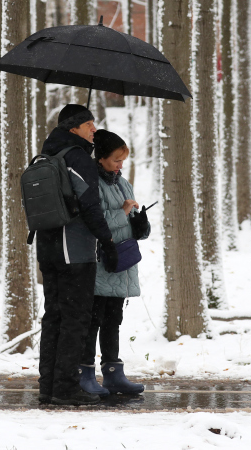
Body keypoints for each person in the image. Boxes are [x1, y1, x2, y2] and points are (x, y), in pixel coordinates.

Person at [36, 104, 119, 406]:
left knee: (54, 316)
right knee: (75, 319)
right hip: (75, 251)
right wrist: (107, 239)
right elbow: (90, 205)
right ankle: (65, 388)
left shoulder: (48, 155)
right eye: (88, 124)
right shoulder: (77, 158)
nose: (94, 129)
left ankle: (48, 386)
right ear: (73, 128)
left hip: (47, 248)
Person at [78, 130, 151, 397]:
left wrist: (140, 222)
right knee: (94, 320)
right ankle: (84, 373)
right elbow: (94, 222)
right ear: (101, 159)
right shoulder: (92, 183)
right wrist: (122, 213)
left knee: (113, 320)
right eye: (115, 160)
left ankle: (113, 374)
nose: (120, 166)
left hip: (122, 260)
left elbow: (131, 222)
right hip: (101, 260)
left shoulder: (123, 182)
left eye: (123, 160)